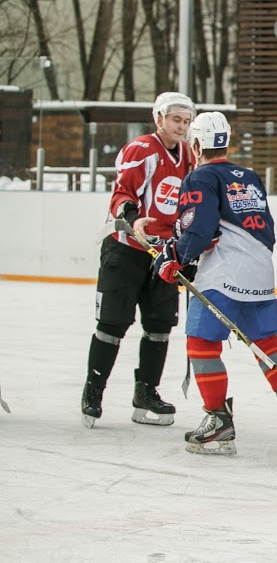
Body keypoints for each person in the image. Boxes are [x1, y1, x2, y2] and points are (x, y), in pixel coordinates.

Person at [137, 112, 277, 455]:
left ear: (197, 144)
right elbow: (264, 229)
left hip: (222, 275)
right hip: (261, 271)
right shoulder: (248, 176)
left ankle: (217, 418)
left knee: (202, 344)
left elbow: (199, 228)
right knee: (266, 341)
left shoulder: (199, 177)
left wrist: (176, 258)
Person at [81, 91, 195, 429]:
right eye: (176, 119)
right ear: (159, 119)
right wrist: (133, 219)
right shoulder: (141, 149)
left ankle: (146, 393)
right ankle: (93, 391)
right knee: (113, 324)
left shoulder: (188, 154)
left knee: (160, 325)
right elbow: (121, 193)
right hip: (126, 249)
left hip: (163, 254)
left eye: (186, 122)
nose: (182, 126)